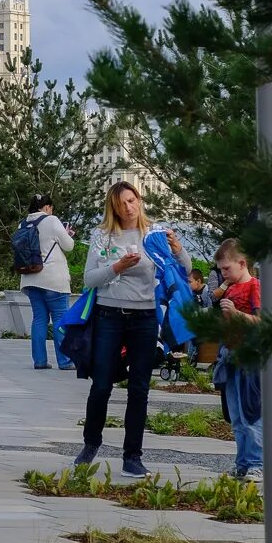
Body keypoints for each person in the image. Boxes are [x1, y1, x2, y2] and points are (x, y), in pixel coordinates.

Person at [75, 181, 190, 479]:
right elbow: (89, 279)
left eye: (131, 200)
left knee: (139, 388)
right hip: (109, 314)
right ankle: (91, 443)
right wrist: (118, 267)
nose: (128, 207)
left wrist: (178, 251)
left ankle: (133, 456)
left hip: (145, 317)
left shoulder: (153, 234)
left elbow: (183, 270)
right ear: (113, 208)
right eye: (121, 204)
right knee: (101, 384)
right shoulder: (102, 235)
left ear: (139, 200)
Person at [210, 239, 264, 482]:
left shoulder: (255, 287)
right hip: (229, 354)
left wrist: (236, 314)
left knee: (251, 411)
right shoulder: (229, 289)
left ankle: (256, 462)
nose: (223, 274)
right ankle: (242, 461)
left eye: (226, 269)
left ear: (242, 264)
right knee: (235, 415)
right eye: (221, 270)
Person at [17, 193, 75, 370]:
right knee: (59, 319)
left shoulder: (23, 224)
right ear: (47, 207)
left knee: (39, 318)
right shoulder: (52, 220)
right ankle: (64, 361)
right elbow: (69, 245)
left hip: (30, 278)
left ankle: (40, 360)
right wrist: (66, 234)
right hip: (52, 279)